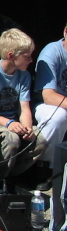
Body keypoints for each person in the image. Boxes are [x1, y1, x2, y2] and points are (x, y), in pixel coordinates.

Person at [0, 28, 45, 190]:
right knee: (11, 140)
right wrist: (9, 124)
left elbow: (24, 107)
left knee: (40, 140)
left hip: (14, 121)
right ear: (11, 56)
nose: (31, 60)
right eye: (27, 56)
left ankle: (14, 176)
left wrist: (27, 127)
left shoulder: (24, 76)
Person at [33, 23, 67, 191]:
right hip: (45, 105)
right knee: (58, 116)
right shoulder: (52, 52)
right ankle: (44, 168)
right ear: (66, 31)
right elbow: (49, 96)